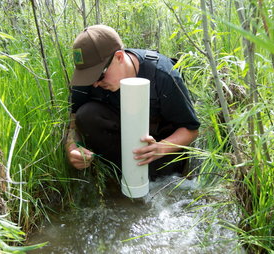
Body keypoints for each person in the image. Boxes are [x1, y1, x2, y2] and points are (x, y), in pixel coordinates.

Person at [65, 24, 200, 180]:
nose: (94, 84)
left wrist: (161, 148)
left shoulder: (164, 75)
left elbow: (191, 130)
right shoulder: (87, 82)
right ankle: (114, 175)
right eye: (88, 77)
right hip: (120, 143)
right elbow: (74, 119)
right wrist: (71, 147)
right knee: (87, 113)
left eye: (98, 76)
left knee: (163, 182)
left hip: (159, 146)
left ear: (119, 57)